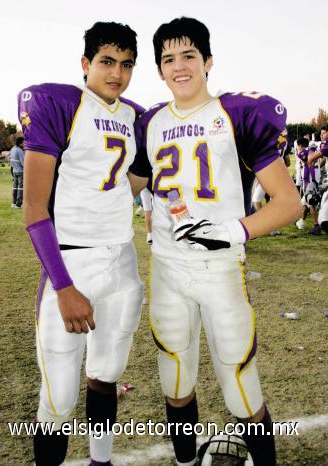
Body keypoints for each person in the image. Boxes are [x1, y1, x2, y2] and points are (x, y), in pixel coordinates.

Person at [129, 17, 301, 466]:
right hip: (167, 268)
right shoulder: (149, 122)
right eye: (169, 59)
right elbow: (123, 190)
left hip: (221, 270)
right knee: (176, 381)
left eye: (189, 56)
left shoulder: (236, 115)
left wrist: (230, 231)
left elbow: (288, 203)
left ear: (208, 62)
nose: (179, 66)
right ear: (160, 70)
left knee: (241, 387)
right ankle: (186, 462)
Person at [18, 21, 144, 466]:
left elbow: (125, 183)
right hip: (71, 268)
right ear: (86, 63)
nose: (117, 73)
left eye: (127, 64)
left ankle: (101, 461)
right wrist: (64, 287)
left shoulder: (132, 115)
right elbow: (34, 209)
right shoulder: (60, 104)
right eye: (107, 62)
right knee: (58, 400)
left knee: (106, 377)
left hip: (122, 264)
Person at [10, 137, 25, 208]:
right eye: (23, 142)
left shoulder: (12, 149)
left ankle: (13, 203)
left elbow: (11, 160)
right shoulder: (19, 151)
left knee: (14, 187)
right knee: (20, 188)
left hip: (14, 171)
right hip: (20, 171)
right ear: (20, 143)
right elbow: (23, 162)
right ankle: (19, 204)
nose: (24, 144)